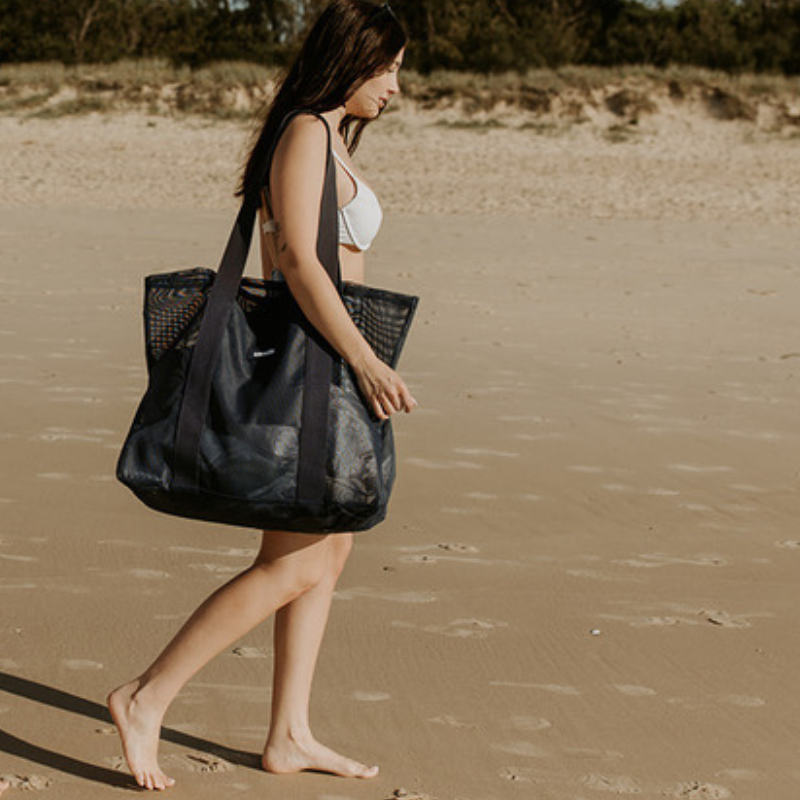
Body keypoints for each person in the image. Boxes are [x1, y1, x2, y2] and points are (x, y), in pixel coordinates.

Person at [108, 0, 414, 791]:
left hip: (330, 360)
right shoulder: (306, 131)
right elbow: (303, 269)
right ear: (350, 58)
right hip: (314, 357)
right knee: (298, 561)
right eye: (386, 68)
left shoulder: (326, 134)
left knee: (326, 551)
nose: (395, 88)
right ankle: (146, 696)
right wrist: (367, 361)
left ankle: (288, 733)